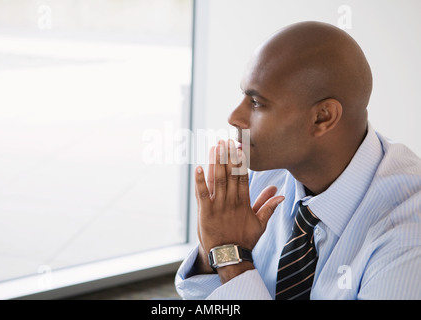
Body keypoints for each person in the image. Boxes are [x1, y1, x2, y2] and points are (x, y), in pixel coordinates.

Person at [175, 21, 421, 299]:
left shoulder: (409, 236)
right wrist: (214, 253)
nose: (234, 117)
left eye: (256, 103)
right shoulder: (262, 171)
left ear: (322, 117)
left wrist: (232, 261)